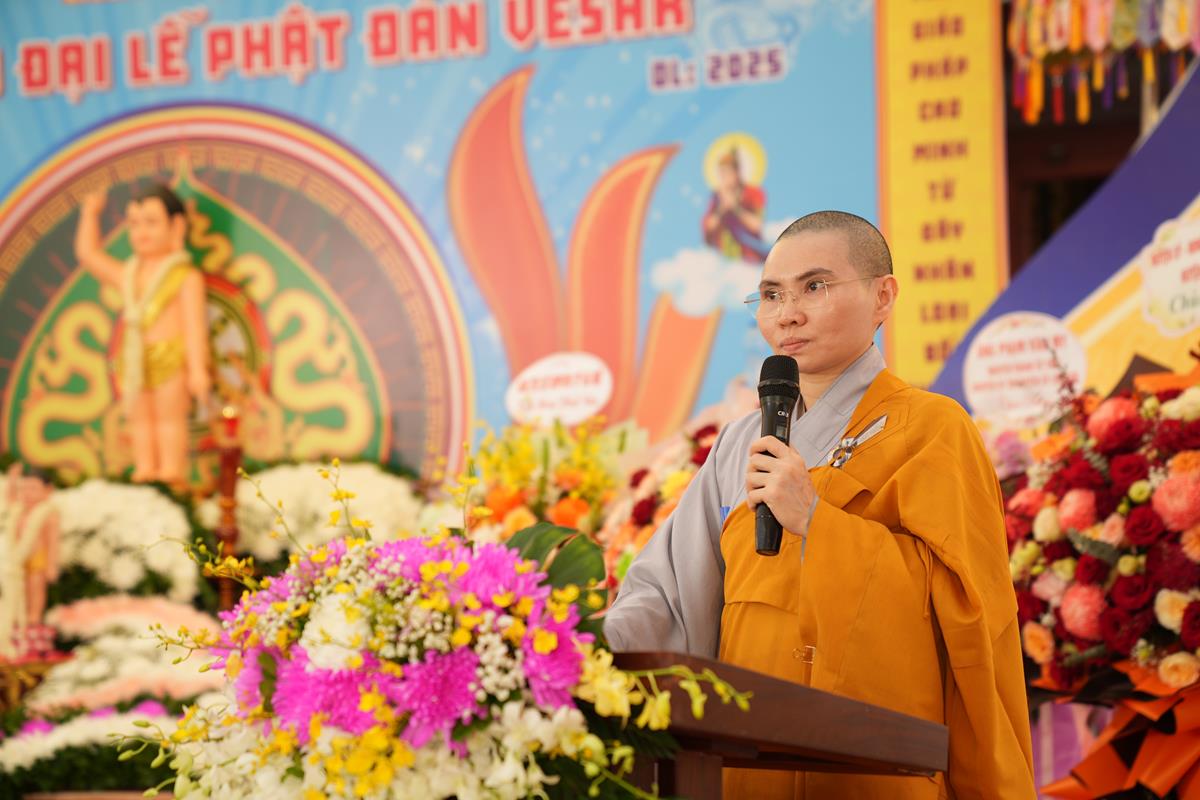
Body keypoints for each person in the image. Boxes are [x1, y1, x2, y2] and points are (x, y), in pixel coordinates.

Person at [605, 211, 1036, 799]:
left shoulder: (933, 428)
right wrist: (581, 653)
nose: (787, 314)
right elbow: (671, 592)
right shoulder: (739, 442)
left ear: (883, 296)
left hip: (872, 764)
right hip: (745, 755)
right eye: (771, 295)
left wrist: (816, 521)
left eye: (814, 287)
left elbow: (967, 612)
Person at [74, 184, 211, 486]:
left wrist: (198, 370)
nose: (141, 232)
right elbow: (89, 255)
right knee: (139, 421)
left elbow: (194, 328)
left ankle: (171, 473)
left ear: (176, 226)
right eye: (134, 224)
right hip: (134, 359)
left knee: (169, 420)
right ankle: (145, 471)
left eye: (151, 222)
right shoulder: (128, 274)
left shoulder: (185, 277)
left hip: (170, 357)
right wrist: (90, 215)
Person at [702, 147, 770, 263]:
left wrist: (736, 208)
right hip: (723, 257)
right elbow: (708, 227)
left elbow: (757, 225)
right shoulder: (717, 197)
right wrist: (722, 208)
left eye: (727, 173)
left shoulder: (753, 193)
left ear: (737, 172)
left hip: (750, 256)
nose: (723, 178)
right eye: (721, 174)